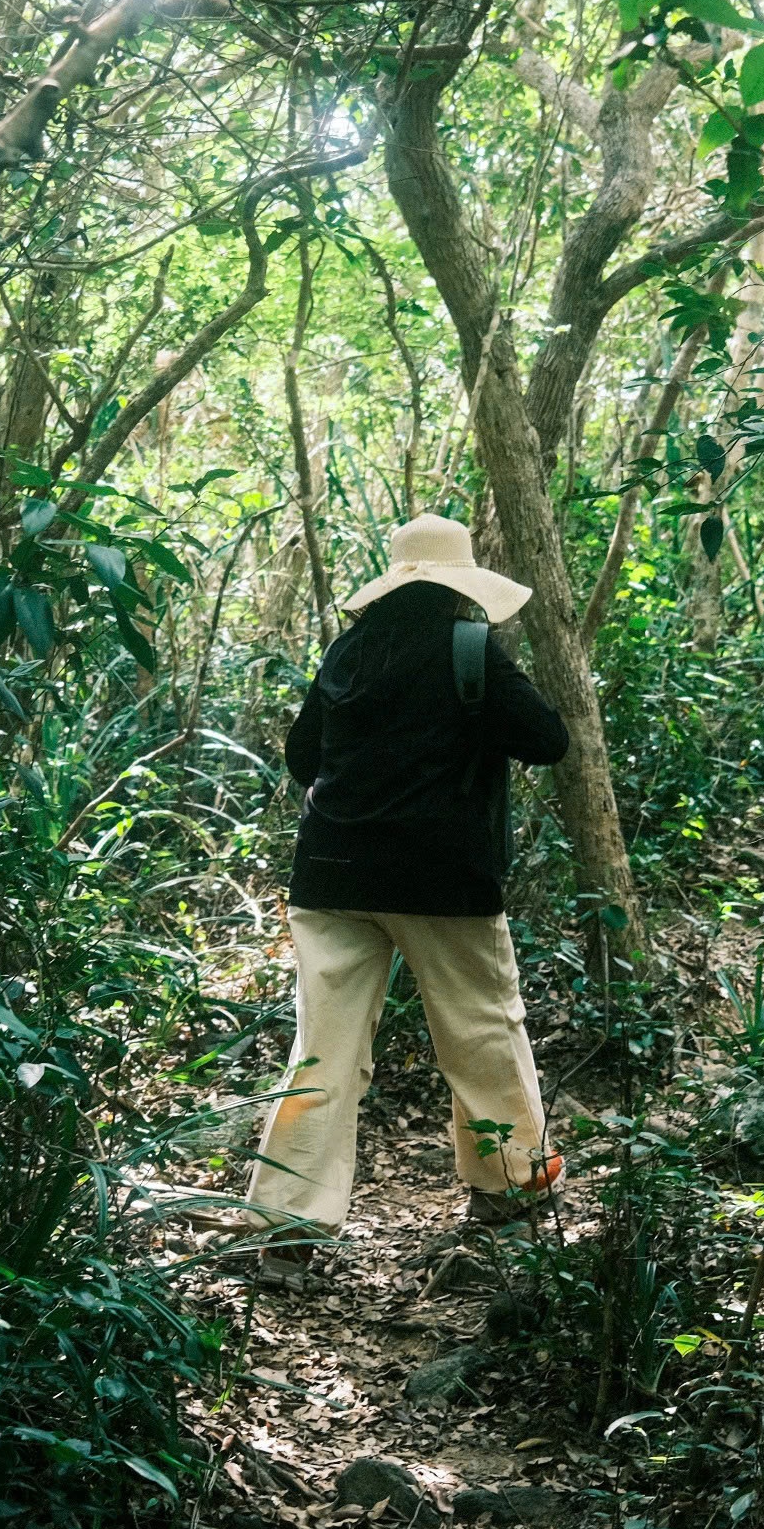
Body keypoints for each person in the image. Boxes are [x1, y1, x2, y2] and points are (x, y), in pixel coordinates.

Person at [245, 514, 569, 1290]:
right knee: (482, 1030)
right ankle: (512, 1189)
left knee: (321, 1051)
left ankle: (286, 1233)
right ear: (461, 585)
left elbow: (300, 756)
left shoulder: (348, 649)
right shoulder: (470, 648)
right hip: (442, 879)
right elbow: (548, 738)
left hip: (331, 877)